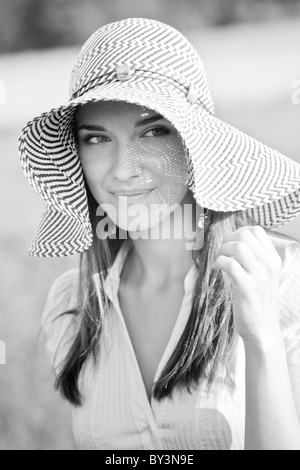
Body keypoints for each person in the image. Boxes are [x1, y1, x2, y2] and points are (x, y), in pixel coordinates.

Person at [19, 18, 300, 451]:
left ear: (195, 144)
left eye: (153, 131)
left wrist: (261, 338)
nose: (123, 169)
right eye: (96, 139)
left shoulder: (283, 282)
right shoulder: (71, 306)